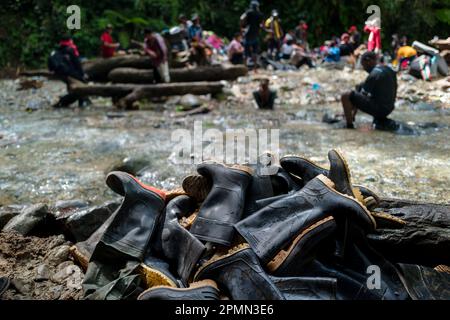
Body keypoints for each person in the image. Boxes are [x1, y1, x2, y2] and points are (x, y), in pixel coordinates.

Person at [341, 51, 397, 129]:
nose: (364, 69)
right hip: (389, 108)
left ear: (368, 61)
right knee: (360, 86)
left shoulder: (374, 74)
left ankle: (349, 125)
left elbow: (361, 96)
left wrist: (348, 109)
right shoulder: (389, 70)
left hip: (380, 111)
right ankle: (352, 116)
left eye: (363, 65)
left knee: (346, 95)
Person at [48, 35, 90, 108]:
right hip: (68, 72)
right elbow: (77, 64)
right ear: (70, 40)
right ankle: (81, 103)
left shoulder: (56, 50)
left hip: (59, 72)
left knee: (73, 85)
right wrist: (83, 74)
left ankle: (82, 100)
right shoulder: (71, 49)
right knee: (83, 84)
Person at [240, 0, 264, 67]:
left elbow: (241, 18)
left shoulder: (248, 12)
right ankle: (255, 69)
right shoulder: (260, 14)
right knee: (255, 53)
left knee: (246, 53)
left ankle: (245, 67)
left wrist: (242, 28)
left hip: (248, 34)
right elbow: (262, 25)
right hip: (256, 35)